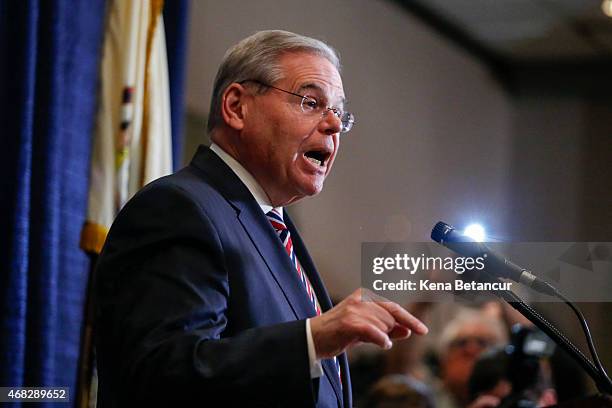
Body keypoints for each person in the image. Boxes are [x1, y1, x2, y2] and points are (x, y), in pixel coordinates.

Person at [94, 30, 428, 407]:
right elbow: (160, 375)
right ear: (237, 106)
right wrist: (312, 339)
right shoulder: (178, 209)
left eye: (339, 112)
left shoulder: (275, 228)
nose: (334, 125)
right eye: (311, 101)